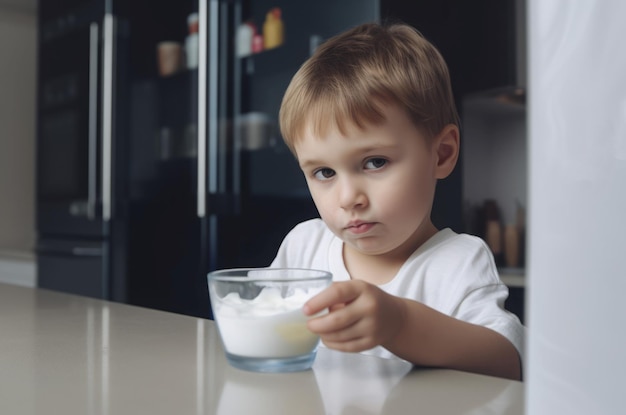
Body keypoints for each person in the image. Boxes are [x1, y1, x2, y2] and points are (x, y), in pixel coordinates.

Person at [270, 21, 524, 380]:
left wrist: (400, 324)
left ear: (442, 154)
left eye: (375, 162)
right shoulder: (303, 248)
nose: (348, 198)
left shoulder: (457, 262)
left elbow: (508, 360)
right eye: (324, 172)